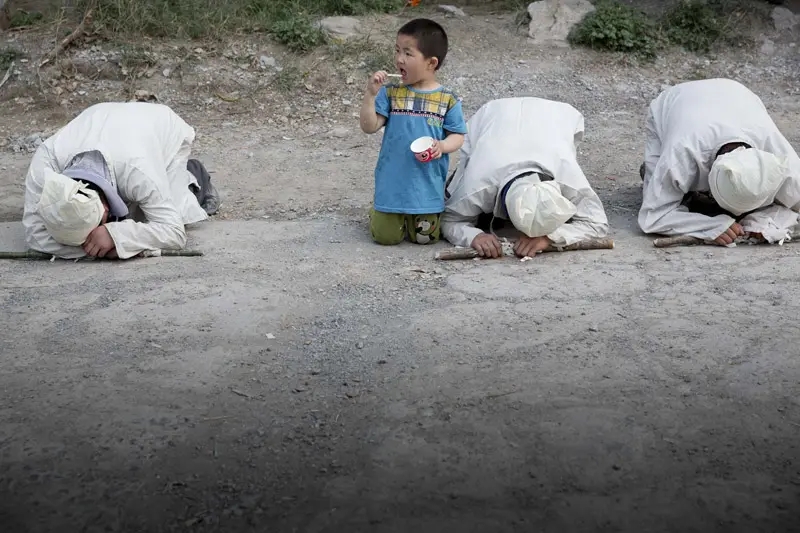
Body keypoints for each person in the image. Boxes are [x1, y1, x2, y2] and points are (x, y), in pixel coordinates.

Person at [22, 101, 221, 260]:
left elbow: (174, 232)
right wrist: (103, 248)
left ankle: (194, 177)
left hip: (160, 127)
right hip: (100, 119)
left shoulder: (137, 171)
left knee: (173, 214)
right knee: (135, 224)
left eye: (87, 236)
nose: (87, 241)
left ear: (105, 208)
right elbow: (35, 236)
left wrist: (117, 236)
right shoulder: (45, 165)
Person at [441, 97, 609, 258]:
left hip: (557, 115)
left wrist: (550, 238)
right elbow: (449, 219)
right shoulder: (478, 186)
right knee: (456, 184)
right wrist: (474, 236)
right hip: (493, 113)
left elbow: (598, 223)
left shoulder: (568, 177)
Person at [639, 78, 800, 245]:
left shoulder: (776, 154)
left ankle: (685, 192)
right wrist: (710, 226)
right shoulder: (681, 156)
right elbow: (652, 217)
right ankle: (682, 189)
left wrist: (770, 223)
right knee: (656, 192)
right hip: (673, 102)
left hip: (735, 91)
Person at [359, 18, 467, 246]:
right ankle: (381, 213)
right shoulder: (391, 93)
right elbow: (369, 127)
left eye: (408, 53)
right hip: (392, 185)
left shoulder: (447, 99)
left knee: (425, 238)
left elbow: (458, 136)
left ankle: (413, 215)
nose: (399, 59)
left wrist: (443, 146)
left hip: (426, 188)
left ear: (431, 63)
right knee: (385, 238)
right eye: (397, 51)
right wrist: (370, 95)